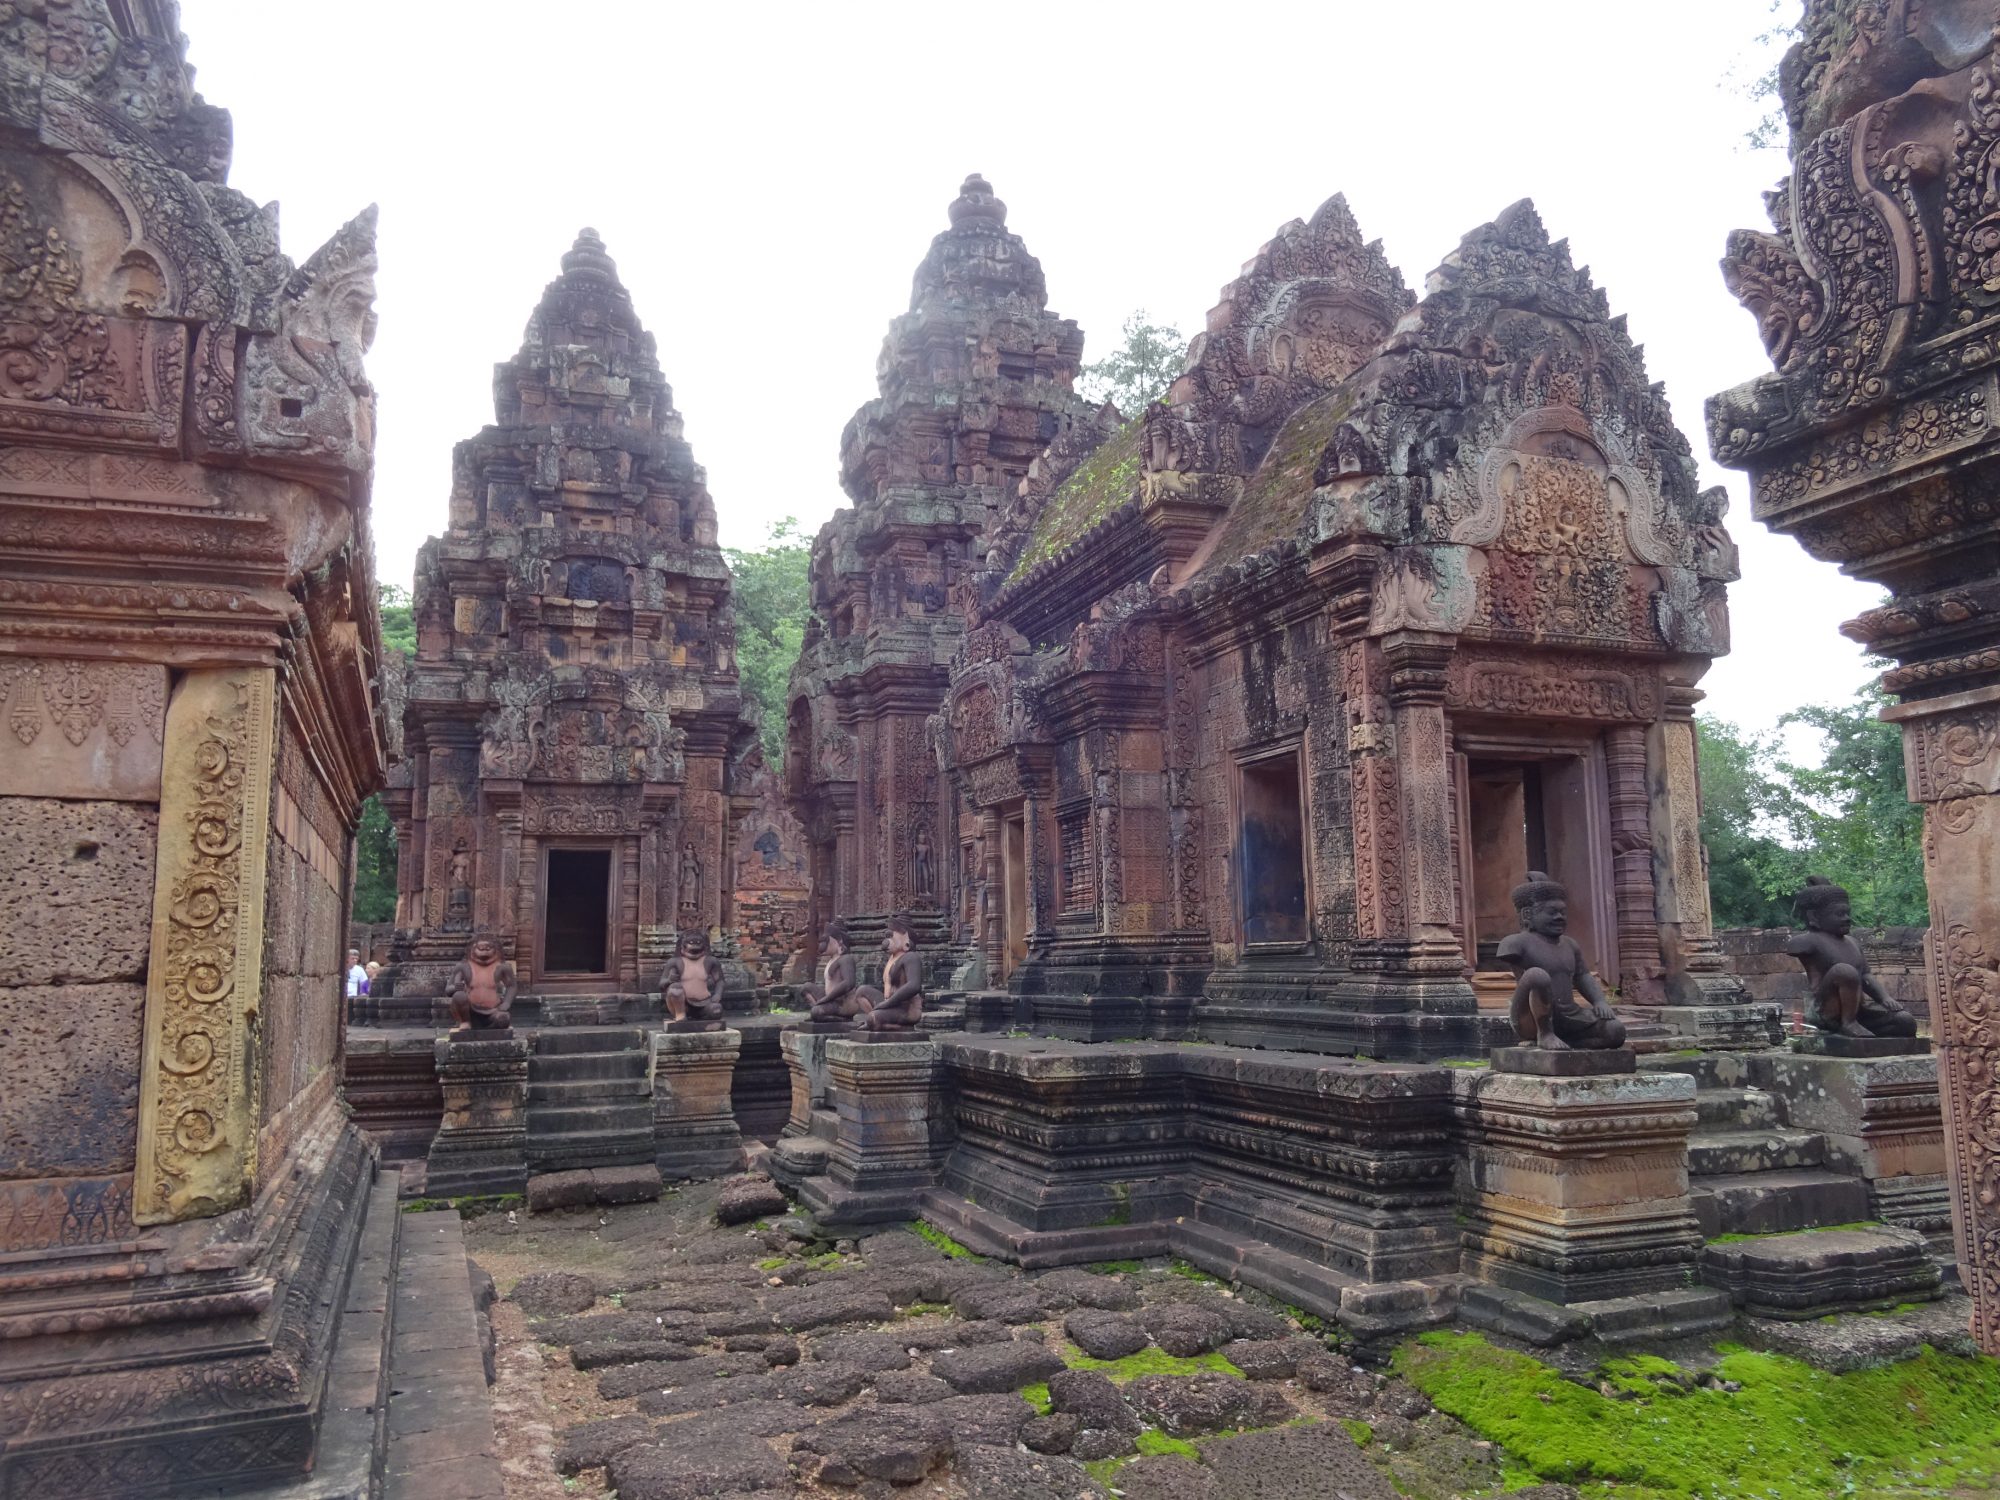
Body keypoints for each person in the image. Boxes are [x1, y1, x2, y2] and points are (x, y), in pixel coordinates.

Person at [1498, 871, 1626, 1051]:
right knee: (1537, 975)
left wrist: (1599, 1001)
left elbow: (1583, 976)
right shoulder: (1515, 943)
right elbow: (1530, 979)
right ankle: (1545, 1034)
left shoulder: (1570, 944)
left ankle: (1570, 1044)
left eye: (1562, 912)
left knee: (1615, 1030)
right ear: (1527, 915)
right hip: (1530, 1019)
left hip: (1571, 1015)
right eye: (1551, 912)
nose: (1559, 917)